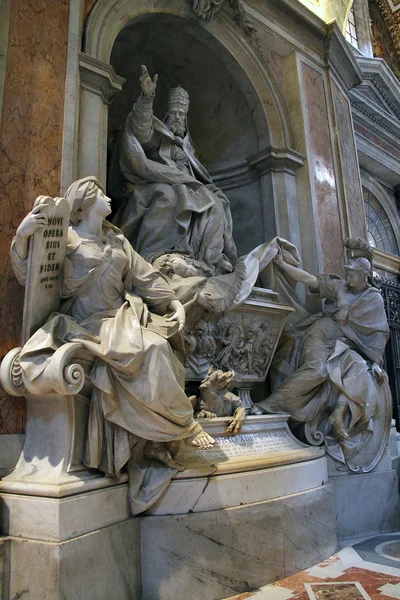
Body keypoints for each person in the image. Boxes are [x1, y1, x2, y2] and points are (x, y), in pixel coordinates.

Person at [11, 176, 215, 514]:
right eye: (101, 195)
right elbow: (28, 275)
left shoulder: (117, 240)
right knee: (150, 351)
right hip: (86, 323)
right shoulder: (67, 239)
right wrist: (23, 235)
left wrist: (172, 303)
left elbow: (144, 277)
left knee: (162, 346)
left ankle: (157, 439)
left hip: (121, 317)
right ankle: (183, 426)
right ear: (87, 204)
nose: (109, 197)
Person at [257, 248, 390, 464]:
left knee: (359, 366)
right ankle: (270, 404)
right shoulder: (338, 287)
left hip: (346, 344)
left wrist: (375, 363)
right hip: (320, 334)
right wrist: (282, 264)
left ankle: (338, 413)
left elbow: (376, 333)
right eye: (348, 271)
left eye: (353, 273)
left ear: (365, 276)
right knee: (317, 370)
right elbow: (308, 279)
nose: (348, 275)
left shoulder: (373, 299)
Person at [111, 65, 237, 276]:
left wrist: (210, 189)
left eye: (182, 114)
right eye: (174, 113)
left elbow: (200, 177)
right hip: (154, 182)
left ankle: (208, 260)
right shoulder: (158, 136)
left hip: (190, 189)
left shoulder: (188, 148)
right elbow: (139, 132)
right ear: (167, 114)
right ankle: (150, 255)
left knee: (216, 203)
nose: (178, 117)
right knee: (168, 195)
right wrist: (146, 99)